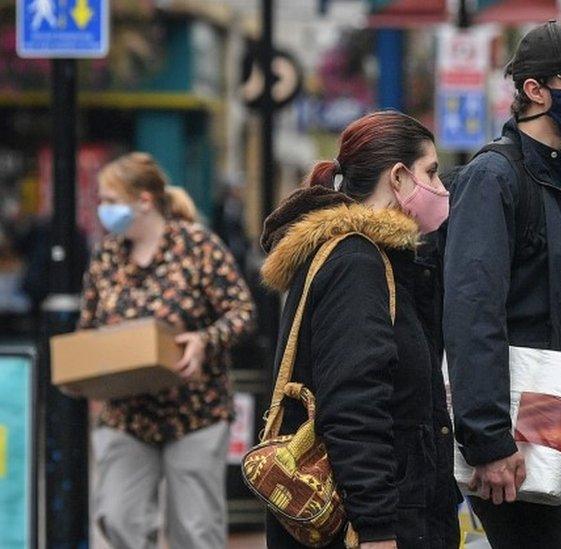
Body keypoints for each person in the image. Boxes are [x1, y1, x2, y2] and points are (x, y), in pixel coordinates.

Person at [443, 21, 561, 548]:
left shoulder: (557, 183)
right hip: (514, 440)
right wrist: (487, 440)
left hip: (555, 436)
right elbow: (472, 311)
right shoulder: (496, 177)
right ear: (535, 90)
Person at [259, 111, 461, 549]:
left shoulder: (368, 259)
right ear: (399, 177)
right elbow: (354, 403)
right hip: (372, 526)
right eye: (432, 172)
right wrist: (376, 529)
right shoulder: (357, 263)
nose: (442, 189)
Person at [80, 152, 255, 549]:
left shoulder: (197, 247)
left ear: (143, 201)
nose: (103, 210)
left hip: (195, 413)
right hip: (126, 416)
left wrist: (203, 340)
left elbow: (242, 312)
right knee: (119, 521)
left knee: (195, 532)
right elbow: (87, 330)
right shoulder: (106, 257)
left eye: (110, 200)